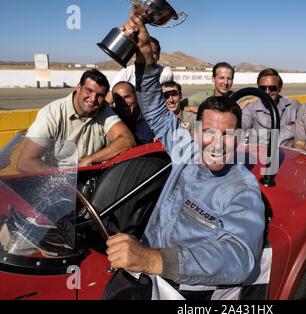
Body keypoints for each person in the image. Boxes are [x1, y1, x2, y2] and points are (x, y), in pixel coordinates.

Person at [105, 14, 265, 298]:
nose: (217, 144)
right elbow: (153, 107)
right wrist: (144, 56)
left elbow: (239, 256)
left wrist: (153, 259)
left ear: (239, 138)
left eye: (227, 134)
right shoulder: (187, 151)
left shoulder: (242, 189)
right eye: (209, 133)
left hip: (187, 289)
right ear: (196, 131)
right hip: (142, 269)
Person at [18, 69, 135, 172]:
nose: (93, 99)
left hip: (91, 183)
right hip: (54, 183)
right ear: (78, 87)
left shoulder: (103, 110)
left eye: (99, 95)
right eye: (89, 91)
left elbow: (127, 140)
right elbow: (25, 162)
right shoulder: (51, 114)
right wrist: (63, 178)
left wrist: (90, 160)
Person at [106, 36, 174, 104]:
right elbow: (109, 99)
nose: (148, 56)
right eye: (145, 52)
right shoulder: (126, 72)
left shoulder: (165, 74)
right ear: (138, 55)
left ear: (158, 56)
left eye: (153, 53)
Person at [242, 68, 300, 147]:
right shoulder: (250, 109)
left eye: (272, 88)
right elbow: (241, 129)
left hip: (288, 156)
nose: (267, 92)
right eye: (262, 88)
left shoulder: (294, 106)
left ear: (280, 88)